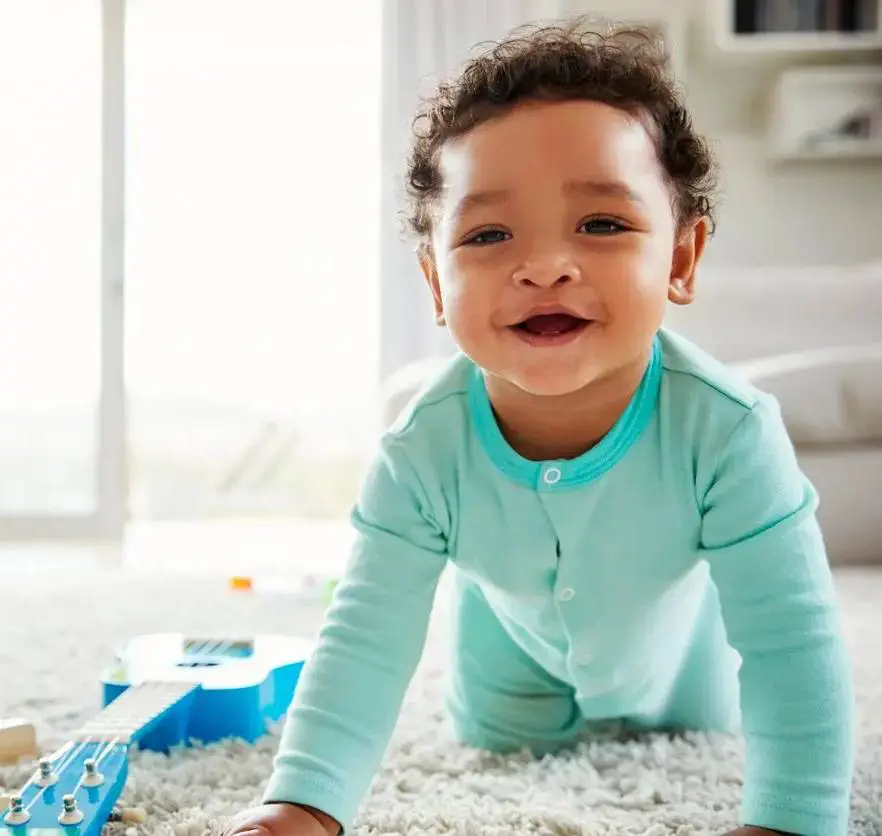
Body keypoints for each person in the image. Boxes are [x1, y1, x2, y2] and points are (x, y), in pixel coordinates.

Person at [222, 18, 854, 836]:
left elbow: (790, 640)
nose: (546, 264)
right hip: (504, 700)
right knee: (497, 734)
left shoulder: (729, 431)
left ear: (682, 260)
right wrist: (303, 801)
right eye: (488, 235)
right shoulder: (423, 451)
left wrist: (796, 818)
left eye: (601, 224)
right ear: (435, 284)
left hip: (685, 687)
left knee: (713, 714)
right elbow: (365, 638)